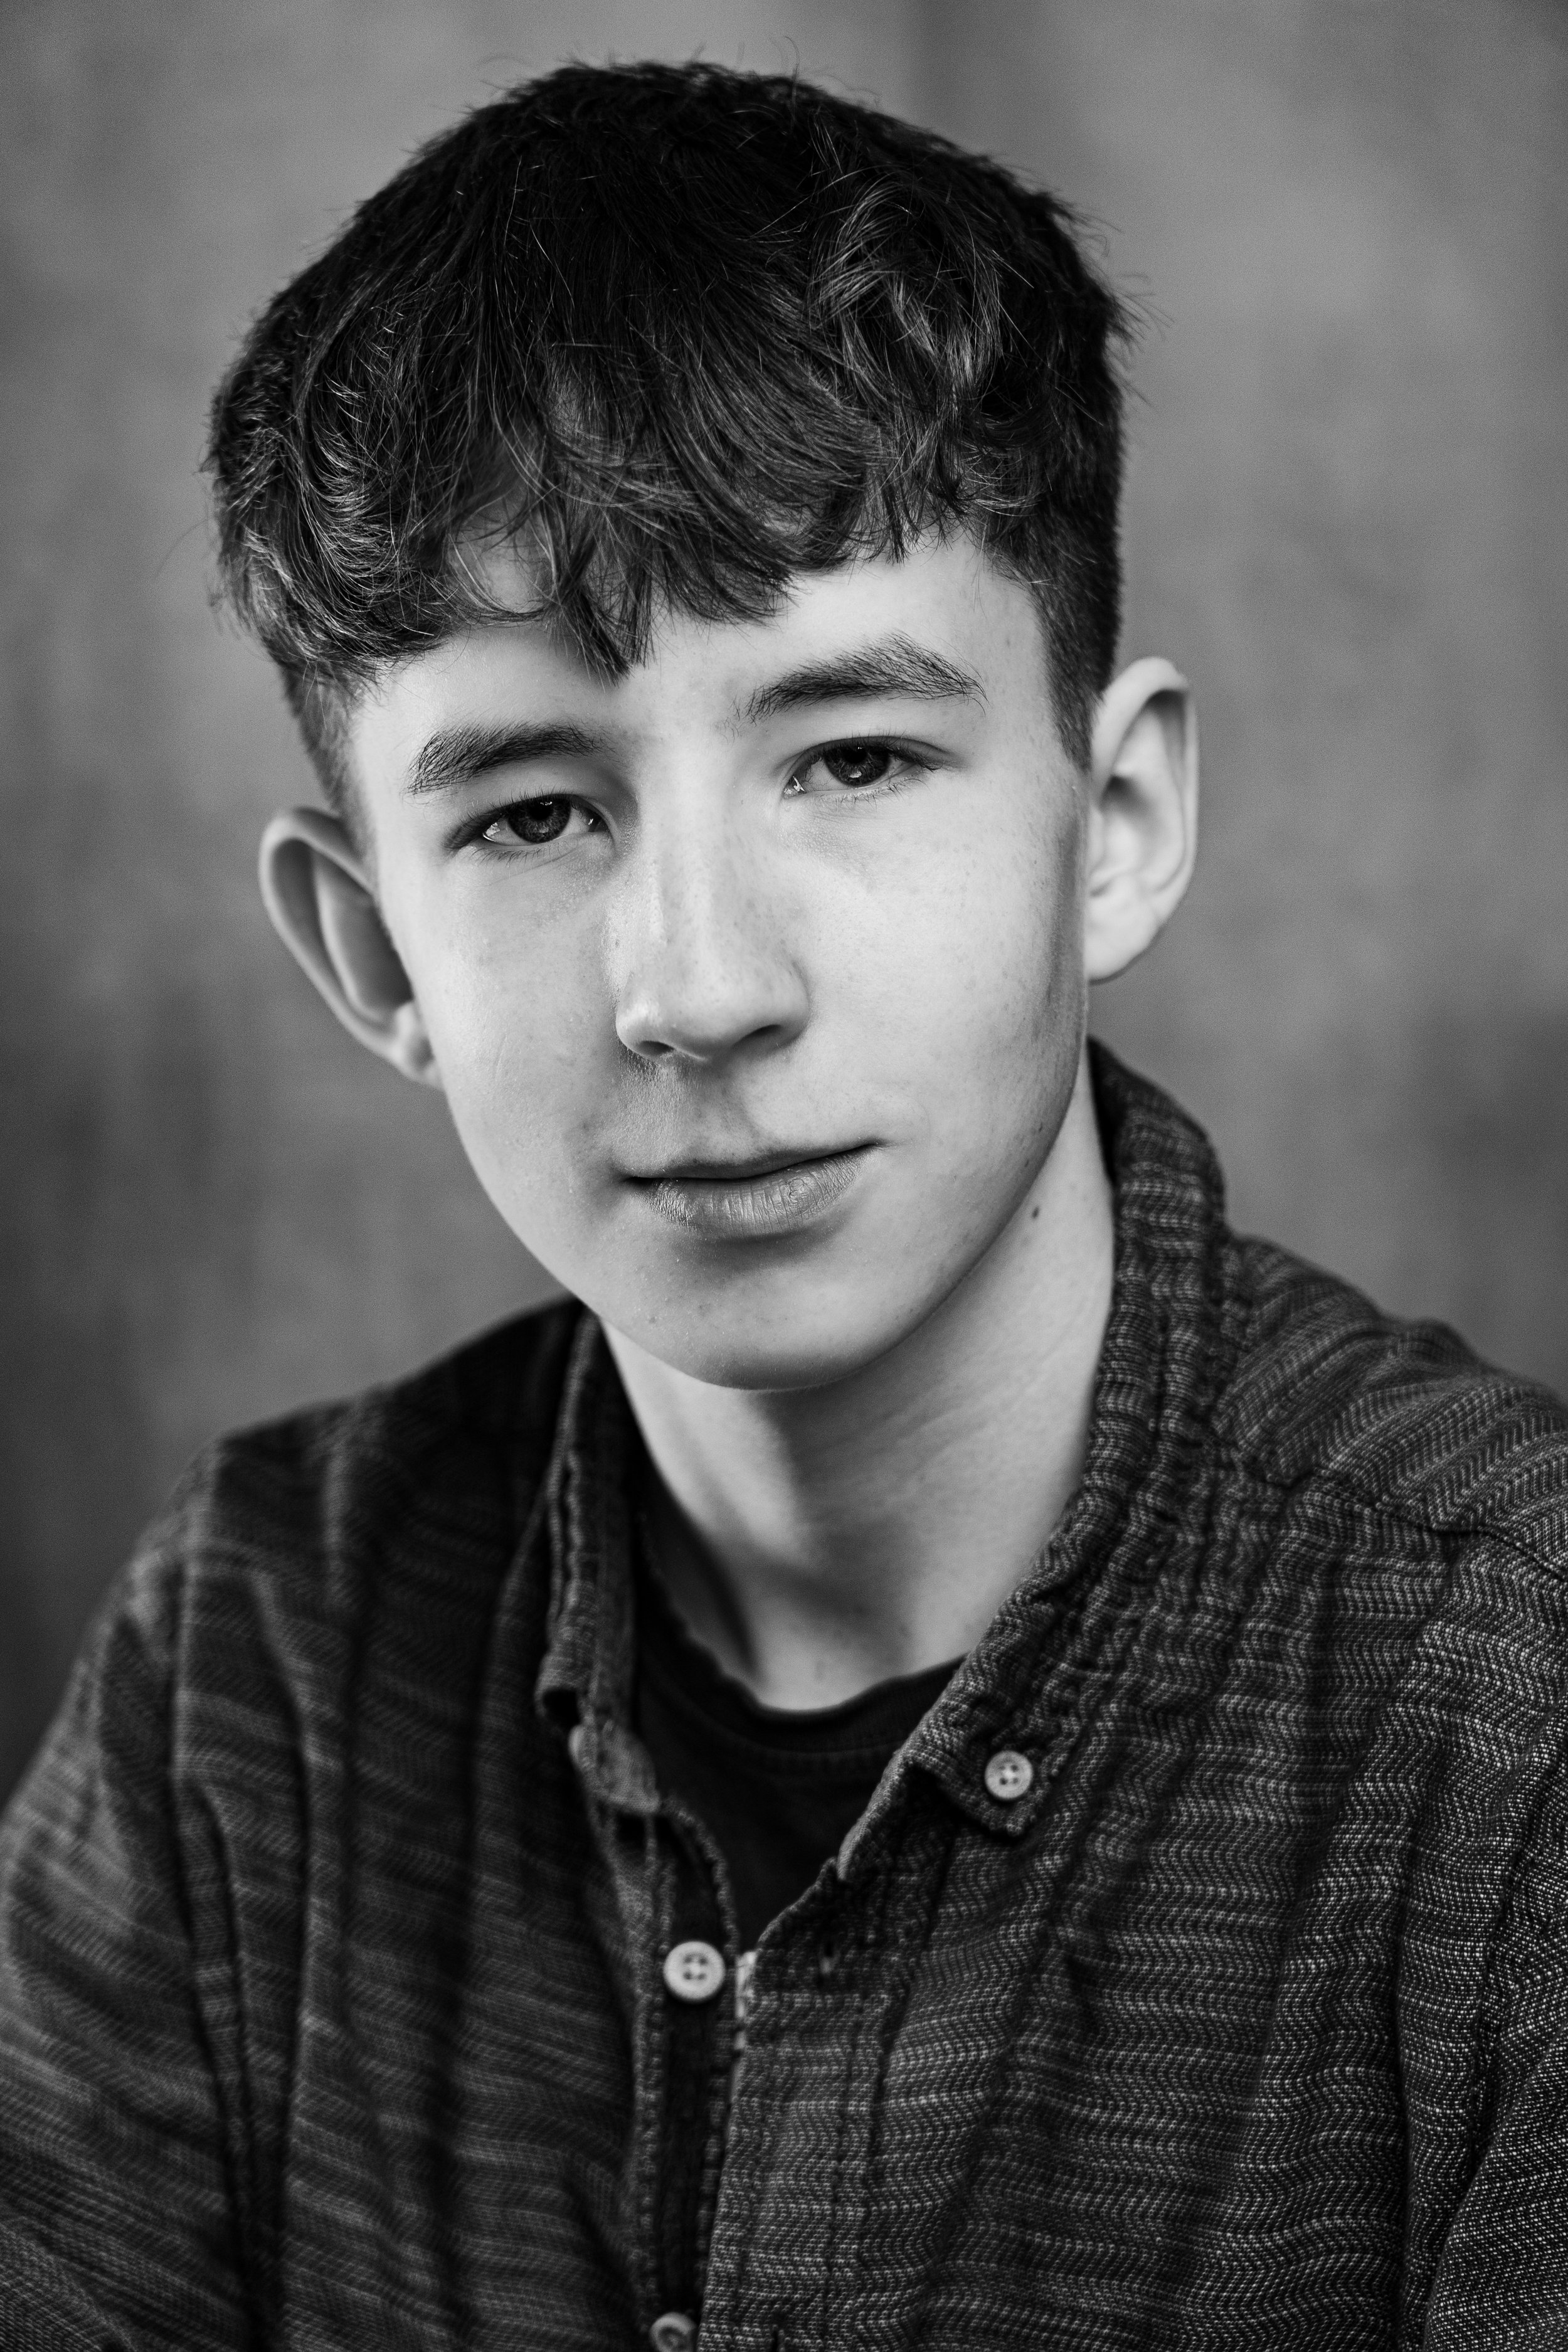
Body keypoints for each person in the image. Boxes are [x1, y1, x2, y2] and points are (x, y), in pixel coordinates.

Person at [1, 57, 1564, 2352]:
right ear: (367, 958)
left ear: (1109, 822)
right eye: (533, 815)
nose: (702, 989)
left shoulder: (1515, 1726)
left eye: (852, 757)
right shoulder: (260, 1667)